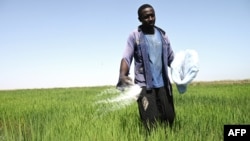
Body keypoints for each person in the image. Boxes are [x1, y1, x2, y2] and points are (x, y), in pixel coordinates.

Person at [116, 4, 175, 131]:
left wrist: (184, 71)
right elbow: (126, 57)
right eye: (146, 16)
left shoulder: (163, 35)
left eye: (152, 15)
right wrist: (122, 75)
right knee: (150, 124)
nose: (150, 18)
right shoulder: (135, 36)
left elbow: (171, 59)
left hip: (164, 85)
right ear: (140, 19)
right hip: (144, 86)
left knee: (169, 119)